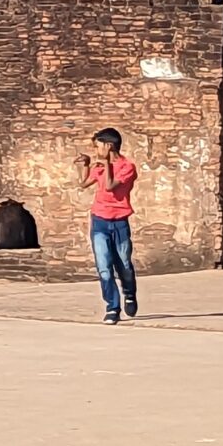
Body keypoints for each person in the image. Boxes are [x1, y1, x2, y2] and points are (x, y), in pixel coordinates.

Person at [77, 128, 139, 324]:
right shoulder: (100, 166)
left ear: (109, 146)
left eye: (98, 147)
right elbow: (83, 184)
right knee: (104, 266)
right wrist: (85, 165)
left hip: (119, 220)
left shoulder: (127, 167)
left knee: (124, 264)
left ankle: (129, 293)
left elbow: (111, 186)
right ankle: (112, 307)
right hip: (99, 221)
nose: (96, 151)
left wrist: (107, 165)